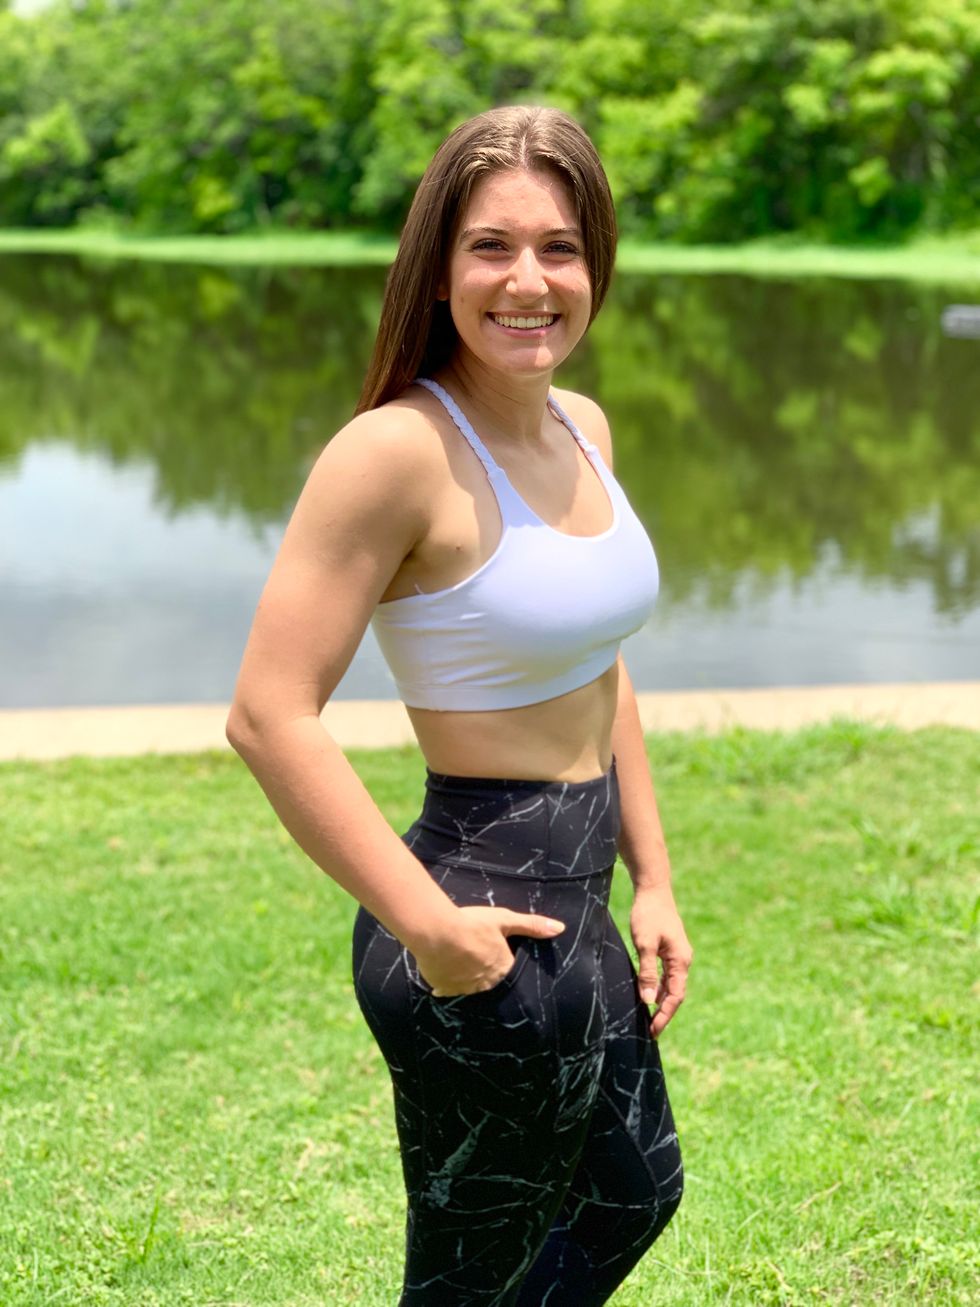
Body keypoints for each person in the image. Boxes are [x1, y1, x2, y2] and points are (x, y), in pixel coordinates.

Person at [227, 104, 692, 1306]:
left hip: (580, 903)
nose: (527, 280)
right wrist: (430, 928)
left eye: (559, 247)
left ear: (595, 266)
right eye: (491, 246)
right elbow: (269, 713)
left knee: (631, 1193)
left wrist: (651, 876)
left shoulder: (583, 428)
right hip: (475, 918)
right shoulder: (393, 453)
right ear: (438, 271)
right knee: (463, 1281)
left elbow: (598, 664)